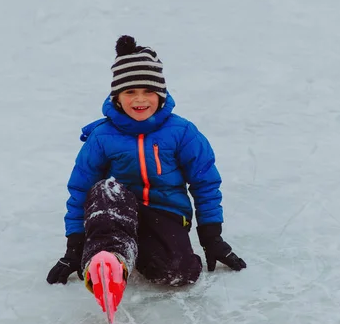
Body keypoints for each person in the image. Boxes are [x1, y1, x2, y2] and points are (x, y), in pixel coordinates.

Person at [47, 35, 246, 292]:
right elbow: (80, 188)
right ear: (117, 97)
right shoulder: (102, 136)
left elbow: (204, 182)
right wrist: (74, 245)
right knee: (105, 190)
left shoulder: (182, 132)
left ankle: (139, 252)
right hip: (116, 211)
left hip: (165, 213)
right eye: (130, 92)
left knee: (179, 273)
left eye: (148, 91)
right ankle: (107, 262)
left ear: (160, 95)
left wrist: (211, 236)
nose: (140, 100)